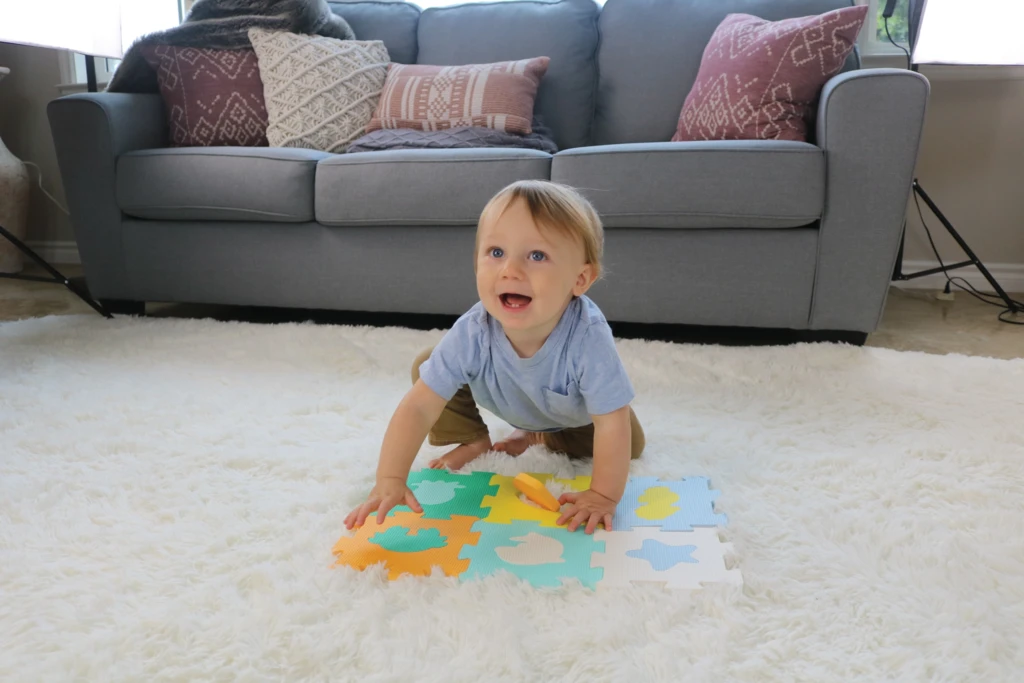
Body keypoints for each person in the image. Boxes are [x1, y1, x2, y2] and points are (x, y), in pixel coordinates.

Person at [344, 180, 644, 535]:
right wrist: (390, 479)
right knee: (428, 365)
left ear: (580, 279)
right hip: (514, 398)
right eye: (496, 252)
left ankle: (536, 436)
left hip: (577, 418)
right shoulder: (474, 331)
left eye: (537, 256)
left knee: (627, 444)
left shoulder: (588, 336)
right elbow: (419, 407)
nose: (510, 270)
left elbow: (610, 424)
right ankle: (474, 439)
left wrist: (603, 496)